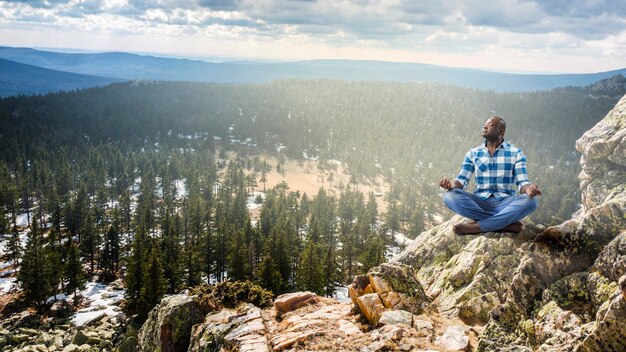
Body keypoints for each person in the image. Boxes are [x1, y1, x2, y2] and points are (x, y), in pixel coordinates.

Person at [439, 116, 541, 235]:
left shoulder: (516, 153)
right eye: (485, 124)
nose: (485, 126)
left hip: (505, 203)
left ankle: (478, 227)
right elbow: (461, 181)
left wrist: (529, 189)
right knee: (450, 196)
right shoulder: (473, 153)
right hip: (479, 203)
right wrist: (451, 184)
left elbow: (522, 182)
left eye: (490, 125)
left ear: (501, 131)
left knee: (531, 202)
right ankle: (504, 224)